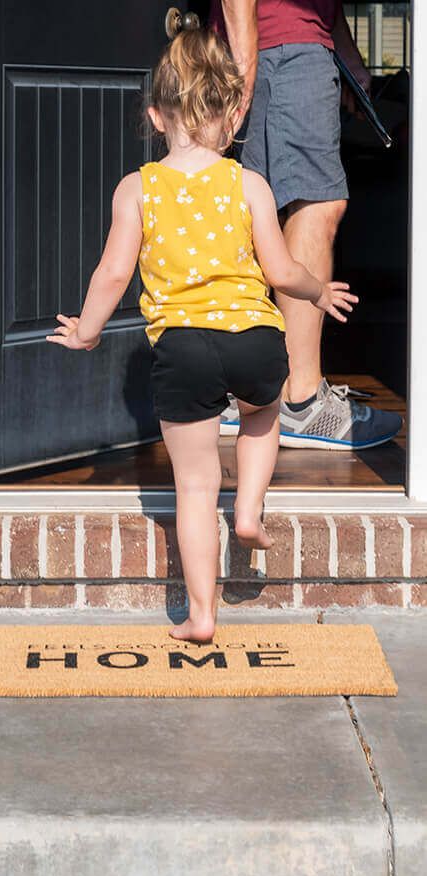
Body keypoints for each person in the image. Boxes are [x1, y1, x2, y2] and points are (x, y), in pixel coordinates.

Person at [47, 28, 356, 642]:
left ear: (156, 116)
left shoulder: (138, 188)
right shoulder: (249, 184)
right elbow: (281, 271)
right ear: (232, 117)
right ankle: (248, 511)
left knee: (193, 485)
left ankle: (201, 614)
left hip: (183, 347)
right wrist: (319, 292)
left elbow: (113, 273)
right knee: (263, 415)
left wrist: (87, 331)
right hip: (254, 338)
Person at [214, 0, 402, 449]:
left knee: (264, 208)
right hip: (282, 48)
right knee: (316, 204)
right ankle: (300, 402)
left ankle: (252, 395)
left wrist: (345, 53)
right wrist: (244, 67)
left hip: (291, 43)